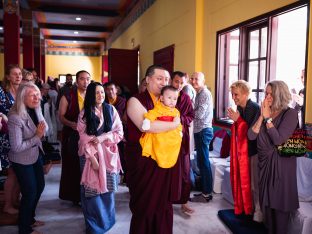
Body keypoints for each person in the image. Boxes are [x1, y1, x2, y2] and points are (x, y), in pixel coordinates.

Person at [126, 65, 180, 234]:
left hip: (165, 159)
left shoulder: (167, 102)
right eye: (159, 78)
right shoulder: (136, 100)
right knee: (145, 204)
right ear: (148, 79)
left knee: (163, 203)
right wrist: (174, 124)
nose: (164, 82)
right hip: (144, 161)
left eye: (166, 79)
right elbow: (146, 126)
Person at [248, 80, 299, 234]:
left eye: (271, 93)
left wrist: (268, 119)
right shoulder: (263, 111)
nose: (268, 96)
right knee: (268, 208)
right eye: (266, 93)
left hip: (281, 166)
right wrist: (262, 116)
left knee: (279, 207)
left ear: (280, 95)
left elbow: (279, 140)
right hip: (264, 164)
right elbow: (251, 136)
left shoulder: (290, 114)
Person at [77, 82, 123, 233]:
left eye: (102, 92)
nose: (101, 95)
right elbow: (83, 138)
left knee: (108, 190)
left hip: (109, 156)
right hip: (91, 157)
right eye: (97, 93)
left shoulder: (111, 110)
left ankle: (107, 221)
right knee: (92, 192)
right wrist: (93, 158)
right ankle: (94, 226)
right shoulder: (84, 113)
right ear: (91, 95)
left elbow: (119, 133)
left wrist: (104, 137)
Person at [8, 82, 47, 234]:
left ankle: (29, 218)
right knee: (30, 191)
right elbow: (16, 147)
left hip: (35, 154)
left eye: (38, 94)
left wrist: (40, 132)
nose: (37, 97)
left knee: (40, 186)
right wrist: (37, 136)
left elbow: (46, 129)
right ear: (23, 97)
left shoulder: (36, 108)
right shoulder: (15, 117)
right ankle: (24, 229)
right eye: (33, 95)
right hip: (21, 158)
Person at [228, 80, 261, 220]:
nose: (234, 98)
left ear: (246, 94)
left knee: (254, 184)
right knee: (244, 182)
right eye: (232, 94)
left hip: (254, 151)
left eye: (236, 95)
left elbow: (251, 134)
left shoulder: (254, 108)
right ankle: (248, 209)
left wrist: (238, 120)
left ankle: (258, 212)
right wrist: (237, 120)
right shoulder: (241, 107)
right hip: (243, 151)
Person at [58, 70, 91, 204]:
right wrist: (72, 124)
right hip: (72, 135)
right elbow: (61, 116)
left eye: (88, 79)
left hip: (88, 135)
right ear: (77, 81)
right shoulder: (68, 95)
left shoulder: (92, 94)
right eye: (82, 79)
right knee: (72, 165)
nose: (85, 82)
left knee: (87, 165)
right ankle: (74, 196)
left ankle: (88, 194)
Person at [140, 85, 183, 168]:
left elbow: (178, 123)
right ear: (162, 98)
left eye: (175, 99)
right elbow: (152, 114)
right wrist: (147, 121)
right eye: (169, 97)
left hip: (172, 134)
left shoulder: (176, 111)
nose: (172, 101)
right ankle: (161, 161)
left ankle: (170, 161)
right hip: (161, 133)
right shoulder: (158, 108)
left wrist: (180, 131)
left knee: (174, 146)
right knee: (160, 146)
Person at [170, 72, 195, 214]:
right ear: (171, 81)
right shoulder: (165, 95)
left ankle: (184, 201)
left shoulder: (185, 98)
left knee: (184, 171)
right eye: (176, 81)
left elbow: (191, 115)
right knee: (168, 170)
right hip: (166, 138)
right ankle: (166, 199)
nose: (179, 85)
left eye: (182, 83)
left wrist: (180, 119)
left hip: (182, 138)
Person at [0, 64, 22, 215]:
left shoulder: (22, 92)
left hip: (21, 135)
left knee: (20, 171)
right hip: (6, 137)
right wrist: (2, 116)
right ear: (8, 76)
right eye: (14, 74)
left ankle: (14, 201)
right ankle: (8, 204)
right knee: (12, 172)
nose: (18, 77)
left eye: (20, 74)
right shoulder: (2, 92)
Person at [189, 72, 214, 203]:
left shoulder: (204, 93)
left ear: (203, 81)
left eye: (196, 79)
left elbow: (199, 114)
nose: (193, 81)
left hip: (204, 131)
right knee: (201, 162)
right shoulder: (198, 93)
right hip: (200, 131)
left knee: (203, 163)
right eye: (192, 79)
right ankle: (205, 191)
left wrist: (187, 110)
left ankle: (207, 194)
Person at [104, 81, 127, 182]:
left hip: (120, 130)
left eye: (112, 89)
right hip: (107, 132)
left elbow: (125, 117)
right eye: (107, 90)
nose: (109, 92)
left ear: (116, 90)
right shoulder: (103, 101)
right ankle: (109, 173)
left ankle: (122, 173)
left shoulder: (123, 101)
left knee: (121, 152)